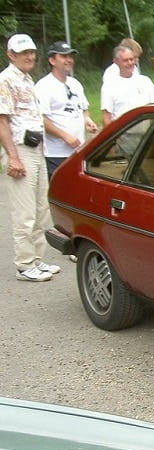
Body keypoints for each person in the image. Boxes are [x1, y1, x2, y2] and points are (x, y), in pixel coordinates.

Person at [0, 34, 60, 281]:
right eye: (23, 52)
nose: (29, 56)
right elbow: (2, 120)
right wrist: (13, 157)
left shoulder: (27, 79)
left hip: (36, 149)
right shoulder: (6, 80)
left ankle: (37, 259)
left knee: (40, 209)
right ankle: (24, 264)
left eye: (32, 52)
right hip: (20, 150)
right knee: (24, 213)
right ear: (10, 55)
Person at [34, 41, 97, 178]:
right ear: (52, 60)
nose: (69, 60)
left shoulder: (75, 84)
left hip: (78, 151)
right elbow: (41, 118)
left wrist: (87, 120)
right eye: (63, 56)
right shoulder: (44, 86)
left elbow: (83, 109)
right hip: (55, 154)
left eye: (70, 56)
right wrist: (65, 136)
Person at [100, 44, 154, 128]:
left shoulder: (145, 81)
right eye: (125, 60)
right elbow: (106, 117)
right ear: (116, 62)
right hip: (122, 134)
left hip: (145, 133)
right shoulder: (109, 86)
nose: (130, 63)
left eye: (132, 59)